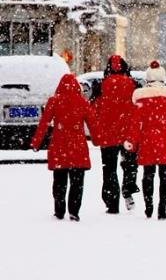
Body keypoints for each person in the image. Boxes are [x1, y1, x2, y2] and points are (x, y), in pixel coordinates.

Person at [125, 60, 166, 220]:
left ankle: (149, 206)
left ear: (148, 79)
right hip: (165, 142)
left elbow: (136, 124)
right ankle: (162, 208)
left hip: (148, 142)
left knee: (148, 175)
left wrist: (131, 141)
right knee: (165, 177)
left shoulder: (142, 99)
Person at [31, 74, 96, 222]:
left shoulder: (54, 101)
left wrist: (36, 142)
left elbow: (44, 122)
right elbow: (92, 124)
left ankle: (59, 210)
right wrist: (98, 140)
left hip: (59, 146)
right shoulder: (82, 102)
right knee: (77, 183)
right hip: (78, 147)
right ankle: (74, 210)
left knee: (59, 181)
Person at [92, 55, 139, 214]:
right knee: (130, 164)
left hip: (108, 134)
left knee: (109, 169)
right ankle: (128, 187)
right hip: (128, 133)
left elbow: (95, 109)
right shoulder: (133, 84)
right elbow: (137, 108)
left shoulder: (100, 85)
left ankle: (112, 203)